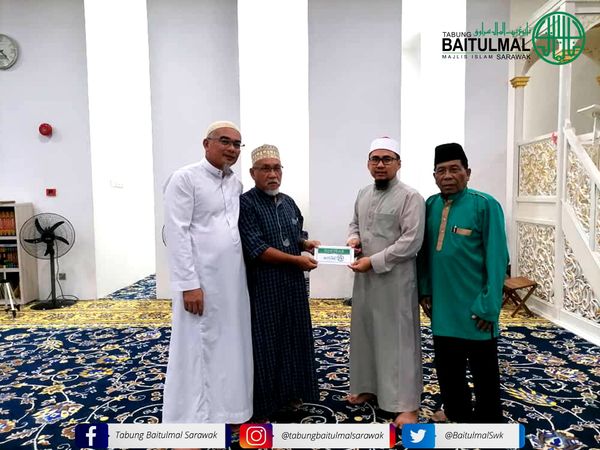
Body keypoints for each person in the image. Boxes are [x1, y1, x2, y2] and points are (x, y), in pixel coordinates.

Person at [162, 121, 253, 426]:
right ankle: (194, 416)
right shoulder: (185, 179)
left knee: (229, 342)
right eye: (225, 141)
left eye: (237, 144)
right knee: (198, 346)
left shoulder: (235, 184)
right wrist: (189, 284)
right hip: (200, 280)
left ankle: (229, 409)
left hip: (232, 280)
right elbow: (177, 234)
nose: (232, 149)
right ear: (206, 143)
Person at [417, 142, 508, 424]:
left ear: (467, 173)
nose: (447, 176)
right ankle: (456, 409)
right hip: (443, 305)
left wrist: (489, 305)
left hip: (476, 306)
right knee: (447, 365)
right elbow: (424, 253)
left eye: (454, 169)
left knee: (483, 368)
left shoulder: (485, 205)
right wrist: (425, 290)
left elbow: (498, 258)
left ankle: (489, 419)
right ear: (434, 176)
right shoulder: (430, 205)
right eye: (441, 170)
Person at [346, 136, 425, 426]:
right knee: (366, 333)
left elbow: (411, 242)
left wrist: (374, 261)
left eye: (387, 159)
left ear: (398, 163)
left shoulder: (410, 197)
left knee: (398, 341)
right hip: (365, 281)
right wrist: (353, 239)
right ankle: (369, 386)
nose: (380, 165)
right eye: (375, 159)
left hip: (395, 282)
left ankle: (407, 404)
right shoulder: (363, 193)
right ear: (368, 164)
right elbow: (355, 223)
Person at [238, 144, 320, 420]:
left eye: (277, 168)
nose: (272, 174)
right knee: (266, 343)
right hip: (264, 286)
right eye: (265, 169)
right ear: (253, 173)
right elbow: (257, 248)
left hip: (293, 286)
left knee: (294, 337)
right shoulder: (246, 205)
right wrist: (296, 260)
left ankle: (291, 393)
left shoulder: (288, 202)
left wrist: (305, 244)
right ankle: (265, 403)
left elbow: (295, 234)